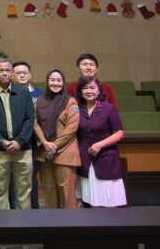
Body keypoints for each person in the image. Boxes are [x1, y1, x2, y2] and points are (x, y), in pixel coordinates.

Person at [0, 58, 35, 210]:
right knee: (0, 191)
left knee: (24, 190)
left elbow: (30, 119)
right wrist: (0, 140)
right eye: (0, 70)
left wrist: (19, 141)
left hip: (23, 149)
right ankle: (3, 222)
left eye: (7, 70)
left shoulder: (23, 92)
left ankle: (25, 221)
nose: (4, 73)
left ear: (12, 72)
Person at [75, 76, 127, 208]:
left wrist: (100, 145)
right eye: (85, 88)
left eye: (92, 88)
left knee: (108, 202)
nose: (89, 91)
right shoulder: (76, 109)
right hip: (85, 161)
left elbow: (119, 133)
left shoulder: (109, 108)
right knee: (89, 203)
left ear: (98, 90)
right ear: (80, 91)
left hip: (105, 159)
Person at [32, 70, 80, 209]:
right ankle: (52, 220)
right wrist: (45, 143)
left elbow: (71, 128)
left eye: (59, 80)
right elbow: (35, 123)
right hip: (44, 153)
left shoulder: (70, 101)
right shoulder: (39, 101)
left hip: (65, 152)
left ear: (63, 82)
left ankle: (69, 221)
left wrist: (53, 147)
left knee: (66, 190)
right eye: (52, 80)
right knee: (49, 189)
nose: (55, 83)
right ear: (47, 81)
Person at [11, 61, 44, 209]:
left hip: (34, 140)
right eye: (18, 73)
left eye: (25, 72)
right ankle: (15, 210)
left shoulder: (39, 93)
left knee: (32, 175)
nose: (22, 75)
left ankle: (34, 208)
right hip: (15, 140)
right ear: (12, 75)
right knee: (14, 176)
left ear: (30, 75)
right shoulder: (8, 93)